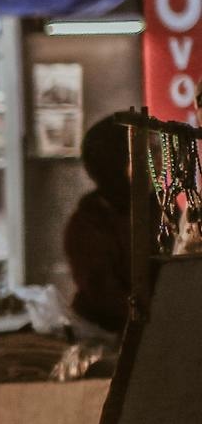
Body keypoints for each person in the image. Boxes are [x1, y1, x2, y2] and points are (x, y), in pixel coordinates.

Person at [63, 111, 135, 337]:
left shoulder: (158, 209)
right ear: (115, 165)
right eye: (138, 157)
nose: (156, 164)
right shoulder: (87, 225)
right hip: (104, 335)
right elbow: (104, 294)